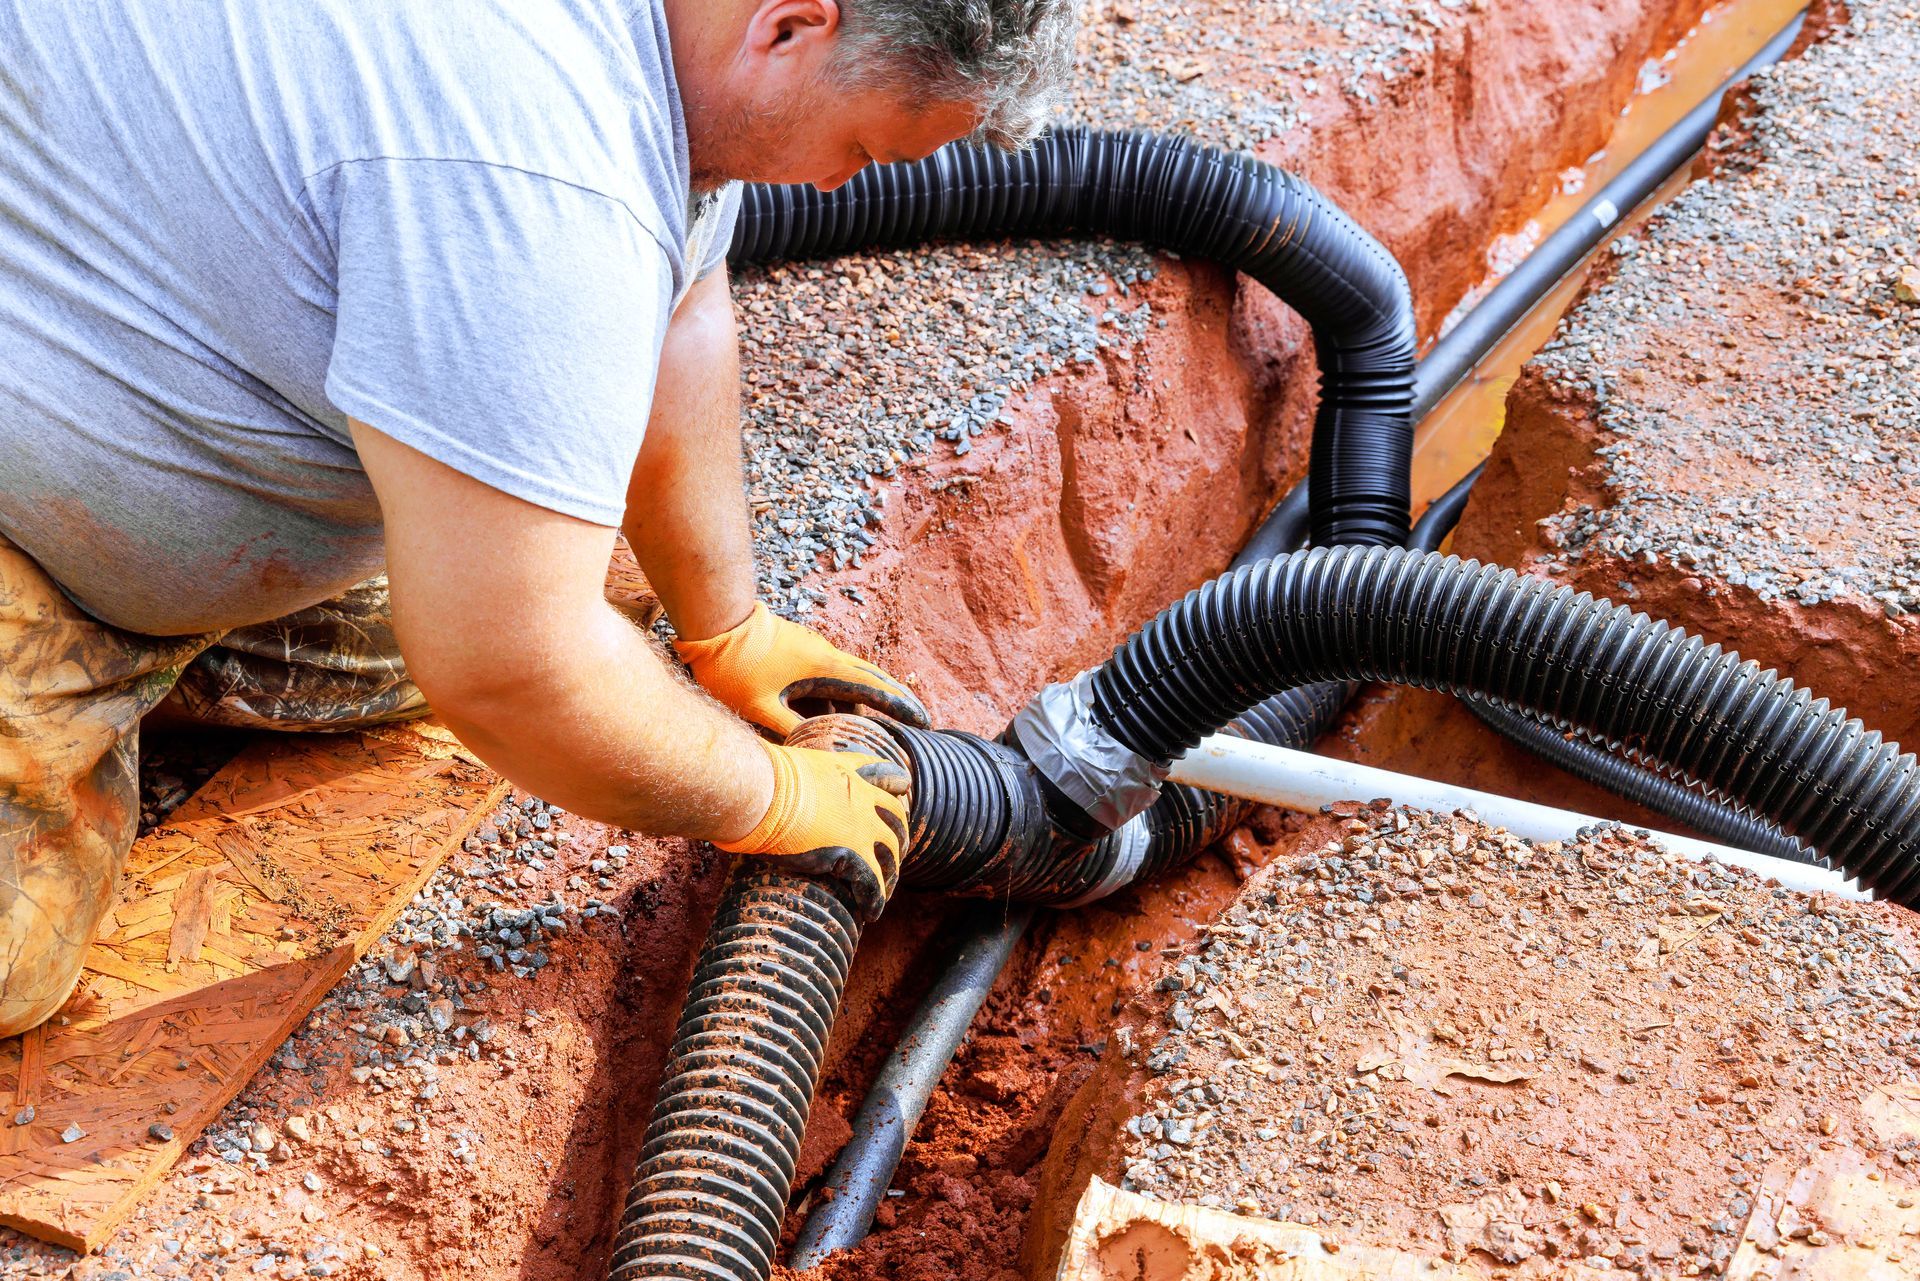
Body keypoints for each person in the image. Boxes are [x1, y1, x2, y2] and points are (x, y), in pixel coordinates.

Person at [0, 0, 1076, 1037]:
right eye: (864, 149)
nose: (850, 181)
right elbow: (508, 668)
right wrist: (769, 796)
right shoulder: (533, 180)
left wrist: (726, 624)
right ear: (791, 26)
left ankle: (162, 633)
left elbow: (679, 307)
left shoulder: (682, 57)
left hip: (127, 360)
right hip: (29, 511)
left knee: (559, 603)